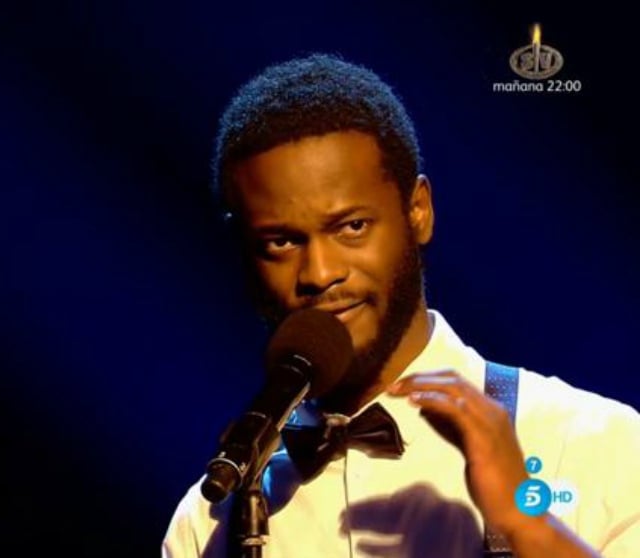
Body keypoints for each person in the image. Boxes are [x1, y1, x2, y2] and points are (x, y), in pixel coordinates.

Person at [161, 54, 640, 558]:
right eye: (281, 242)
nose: (320, 273)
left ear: (418, 211)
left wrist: (529, 530)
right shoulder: (209, 526)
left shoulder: (595, 446)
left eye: (352, 227)